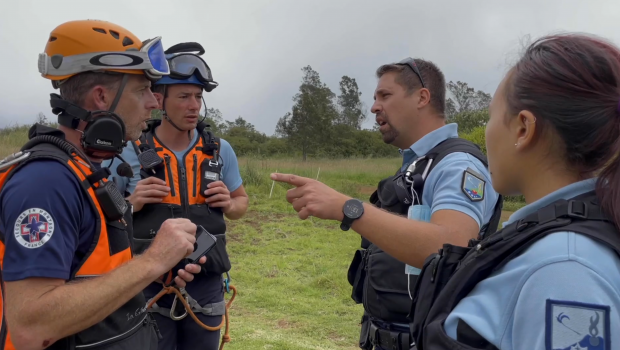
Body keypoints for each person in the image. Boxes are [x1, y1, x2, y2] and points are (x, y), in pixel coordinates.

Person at [0, 20, 207, 350]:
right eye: (142, 91)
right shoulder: (45, 182)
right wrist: (152, 260)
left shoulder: (87, 170)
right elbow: (30, 326)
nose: (153, 103)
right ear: (101, 97)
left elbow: (87, 271)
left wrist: (155, 269)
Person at [405, 33, 620, 350]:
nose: (487, 134)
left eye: (492, 116)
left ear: (523, 129)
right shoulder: (552, 239)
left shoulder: (563, 269)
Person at [272, 58, 503, 350]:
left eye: (385, 96)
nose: (374, 107)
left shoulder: (457, 165)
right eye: (374, 98)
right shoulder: (417, 166)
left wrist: (348, 209)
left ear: (422, 97)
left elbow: (452, 247)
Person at [112, 41, 249, 350]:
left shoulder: (219, 150)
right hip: (148, 286)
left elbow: (241, 205)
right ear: (159, 99)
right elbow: (103, 220)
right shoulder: (128, 151)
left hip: (207, 285)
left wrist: (229, 203)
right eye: (184, 96)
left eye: (198, 97)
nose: (194, 106)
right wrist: (132, 203)